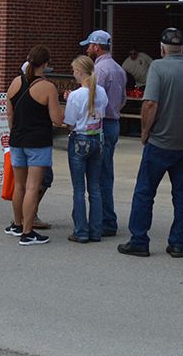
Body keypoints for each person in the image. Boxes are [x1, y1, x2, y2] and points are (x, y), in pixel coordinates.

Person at [118, 27, 183, 259]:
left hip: (160, 142)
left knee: (144, 191)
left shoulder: (157, 68)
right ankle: (177, 242)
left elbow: (150, 104)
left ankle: (140, 240)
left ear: (162, 48)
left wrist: (144, 131)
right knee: (181, 194)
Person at [6, 46, 63, 245]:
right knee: (32, 187)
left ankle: (17, 224)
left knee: (19, 186)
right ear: (46, 64)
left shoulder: (15, 82)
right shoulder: (47, 87)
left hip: (17, 139)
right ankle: (28, 233)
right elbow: (57, 119)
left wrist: (15, 131)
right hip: (38, 142)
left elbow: (9, 115)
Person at [80, 30, 127, 238]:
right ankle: (107, 218)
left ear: (97, 47)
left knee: (100, 175)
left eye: (89, 46)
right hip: (114, 122)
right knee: (106, 171)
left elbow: (93, 100)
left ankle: (106, 221)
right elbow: (123, 98)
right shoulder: (118, 69)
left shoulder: (98, 70)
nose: (88, 49)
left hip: (101, 124)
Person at [62, 54, 109, 244]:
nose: (73, 74)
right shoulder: (101, 92)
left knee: (79, 189)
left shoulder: (75, 96)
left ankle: (81, 230)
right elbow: (102, 114)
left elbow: (70, 123)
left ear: (80, 72)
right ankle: (96, 230)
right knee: (95, 188)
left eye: (74, 71)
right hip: (97, 139)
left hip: (79, 139)